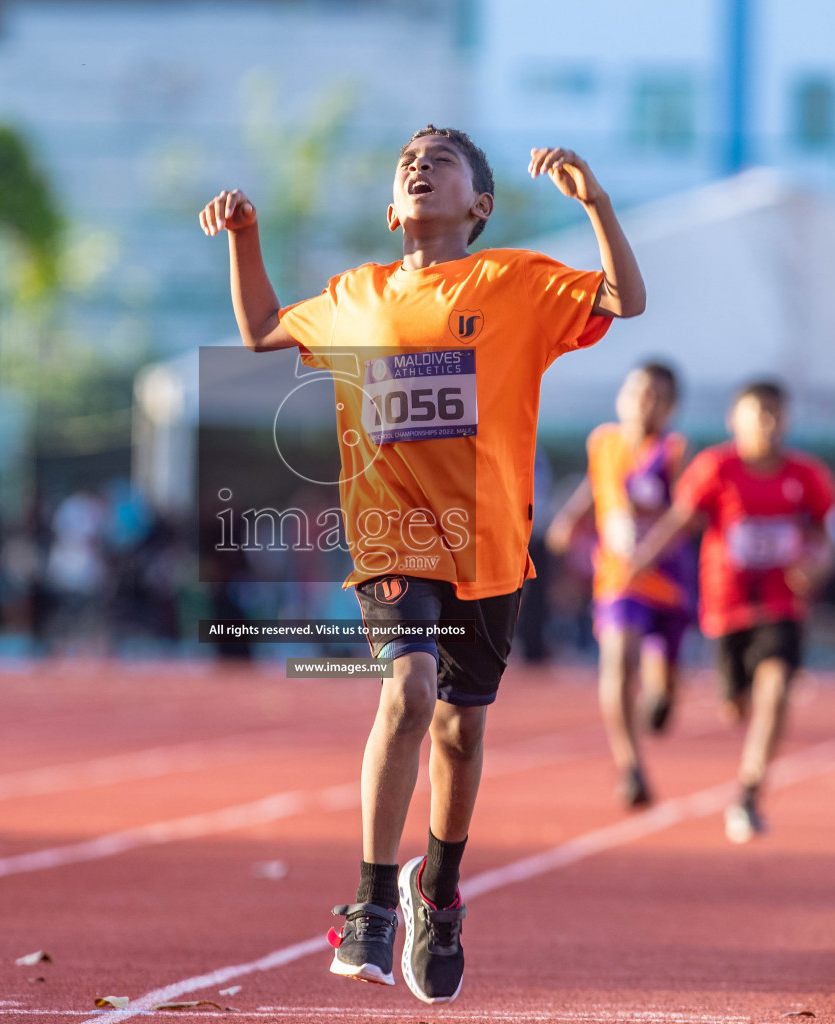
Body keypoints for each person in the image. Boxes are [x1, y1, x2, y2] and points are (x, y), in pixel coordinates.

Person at [199, 127, 645, 1003]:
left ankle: (437, 893)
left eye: (441, 159)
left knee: (461, 729)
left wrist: (595, 205)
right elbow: (257, 330)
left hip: (487, 544)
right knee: (406, 694)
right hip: (393, 535)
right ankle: (370, 903)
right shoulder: (353, 296)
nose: (418, 164)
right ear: (391, 206)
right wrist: (246, 237)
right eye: (406, 158)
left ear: (478, 205)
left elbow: (626, 300)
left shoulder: (515, 281)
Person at [627, 380, 835, 844]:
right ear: (735, 419)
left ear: (785, 420)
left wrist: (817, 564)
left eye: (773, 413)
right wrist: (644, 557)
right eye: (755, 412)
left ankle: (749, 791)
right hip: (726, 606)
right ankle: (730, 710)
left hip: (782, 602)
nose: (765, 422)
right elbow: (683, 519)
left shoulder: (806, 475)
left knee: (777, 688)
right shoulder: (716, 467)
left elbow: (828, 534)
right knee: (735, 707)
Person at [546, 361, 693, 807]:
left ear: (670, 406)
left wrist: (653, 536)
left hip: (668, 580)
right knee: (617, 660)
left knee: (661, 686)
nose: (643, 403)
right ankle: (630, 766)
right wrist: (571, 520)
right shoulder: (604, 442)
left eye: (656, 396)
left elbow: (686, 511)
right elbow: (597, 487)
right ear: (622, 397)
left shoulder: (675, 452)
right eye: (636, 392)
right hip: (618, 576)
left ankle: (662, 691)